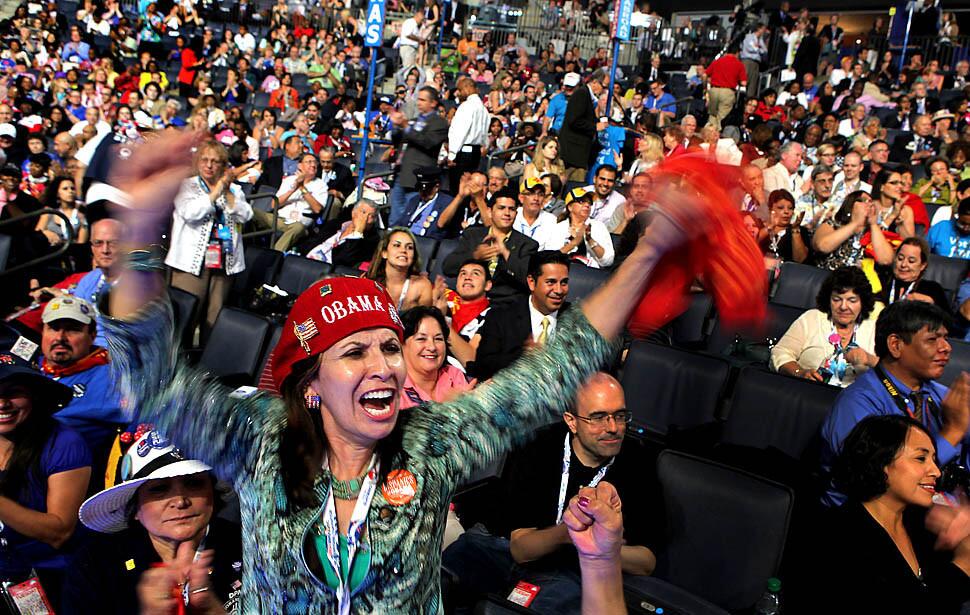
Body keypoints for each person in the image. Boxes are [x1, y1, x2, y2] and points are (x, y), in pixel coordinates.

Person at [103, 128, 713, 612]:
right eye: (354, 352)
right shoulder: (261, 439)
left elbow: (556, 369)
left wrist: (649, 253)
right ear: (310, 384)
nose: (385, 368)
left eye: (389, 348)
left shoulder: (430, 444)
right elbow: (151, 385)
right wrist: (135, 235)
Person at [442, 373, 662, 613]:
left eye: (620, 416)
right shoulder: (538, 446)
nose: (612, 428)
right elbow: (521, 550)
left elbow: (645, 562)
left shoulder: (639, 464)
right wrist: (567, 534)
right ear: (571, 421)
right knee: (448, 570)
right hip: (504, 549)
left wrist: (600, 549)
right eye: (598, 417)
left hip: (570, 570)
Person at [62, 430, 243, 614]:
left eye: (193, 483)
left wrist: (211, 610)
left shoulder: (251, 547)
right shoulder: (95, 565)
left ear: (212, 492)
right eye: (159, 489)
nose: (180, 502)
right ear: (135, 508)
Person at [820, 300, 970, 507]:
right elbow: (881, 480)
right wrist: (953, 432)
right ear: (896, 345)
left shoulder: (939, 394)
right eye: (933, 339)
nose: (946, 348)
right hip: (861, 518)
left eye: (945, 338)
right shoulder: (859, 402)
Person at [813, 415, 970, 611]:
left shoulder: (921, 522)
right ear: (881, 463)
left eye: (934, 459)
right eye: (921, 458)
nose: (936, 471)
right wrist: (963, 566)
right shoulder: (838, 536)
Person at [0, 353, 90, 605]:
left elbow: (59, 532)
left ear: (34, 395)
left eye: (13, 391)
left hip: (52, 577)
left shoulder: (63, 443)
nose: (3, 403)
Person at [165, 141, 252, 341]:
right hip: (191, 265)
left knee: (213, 320)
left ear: (223, 165)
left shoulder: (234, 190)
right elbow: (190, 213)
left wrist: (227, 190)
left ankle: (205, 363)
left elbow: (245, 215)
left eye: (215, 161)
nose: (209, 165)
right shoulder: (186, 186)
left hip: (224, 262)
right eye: (205, 160)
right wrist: (216, 191)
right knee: (186, 318)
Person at [37, 295, 125, 481]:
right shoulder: (29, 367)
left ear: (92, 335)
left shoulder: (112, 379)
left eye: (73, 330)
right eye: (53, 328)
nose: (60, 338)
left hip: (63, 477)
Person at [771, 266, 881, 387]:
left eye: (852, 300)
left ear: (863, 302)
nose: (843, 307)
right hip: (809, 392)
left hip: (855, 401)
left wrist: (869, 359)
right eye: (837, 299)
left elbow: (894, 373)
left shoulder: (874, 329)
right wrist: (800, 373)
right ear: (828, 299)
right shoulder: (812, 318)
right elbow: (780, 353)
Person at [471, 250, 571, 380]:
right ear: (531, 282)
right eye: (551, 282)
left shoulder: (577, 319)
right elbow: (482, 366)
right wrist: (524, 358)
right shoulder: (501, 317)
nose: (559, 290)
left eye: (564, 282)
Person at [442, 188, 539, 306]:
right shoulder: (472, 235)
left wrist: (505, 252)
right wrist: (474, 256)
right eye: (501, 208)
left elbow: (527, 280)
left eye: (512, 209)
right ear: (489, 211)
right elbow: (448, 267)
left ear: (516, 213)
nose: (507, 213)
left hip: (504, 306)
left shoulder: (527, 244)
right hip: (469, 301)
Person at [389, 86, 448, 224]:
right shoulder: (414, 120)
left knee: (410, 218)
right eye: (418, 99)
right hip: (402, 174)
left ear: (433, 103)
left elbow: (427, 142)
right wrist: (397, 126)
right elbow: (398, 140)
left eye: (423, 100)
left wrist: (405, 126)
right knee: (394, 218)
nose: (418, 103)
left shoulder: (439, 123)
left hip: (418, 177)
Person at [398, 306, 474, 409]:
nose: (432, 347)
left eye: (438, 339)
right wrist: (450, 407)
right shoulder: (394, 386)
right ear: (401, 344)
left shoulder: (454, 376)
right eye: (421, 339)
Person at [813, 190, 894, 271]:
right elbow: (823, 246)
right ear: (850, 206)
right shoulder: (832, 225)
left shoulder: (876, 232)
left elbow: (886, 260)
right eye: (862, 201)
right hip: (828, 278)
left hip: (861, 281)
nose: (869, 204)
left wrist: (873, 224)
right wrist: (855, 223)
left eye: (870, 201)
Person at [537, 187, 614, 269]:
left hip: (589, 274)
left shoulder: (598, 226)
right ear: (570, 207)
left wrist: (590, 241)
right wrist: (574, 242)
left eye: (589, 202)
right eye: (581, 202)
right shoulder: (557, 228)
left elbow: (608, 261)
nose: (587, 205)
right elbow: (550, 259)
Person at [364, 227, 434, 311]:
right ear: (384, 253)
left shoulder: (423, 285)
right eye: (397, 245)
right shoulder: (367, 280)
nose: (403, 250)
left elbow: (424, 321)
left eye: (409, 247)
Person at [876, 237, 949, 311]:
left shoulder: (933, 290)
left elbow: (949, 320)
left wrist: (932, 306)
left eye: (911, 261)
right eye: (900, 258)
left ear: (922, 265)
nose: (903, 265)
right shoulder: (881, 281)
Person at [560, 70, 607, 183]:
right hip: (573, 154)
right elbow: (574, 120)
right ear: (595, 82)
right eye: (604, 86)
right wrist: (595, 126)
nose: (604, 90)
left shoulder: (586, 95)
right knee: (573, 184)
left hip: (578, 153)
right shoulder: (582, 94)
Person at [447, 77, 489, 194]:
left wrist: (452, 154)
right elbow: (485, 134)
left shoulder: (466, 106)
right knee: (471, 189)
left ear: (467, 88)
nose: (458, 93)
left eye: (460, 90)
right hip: (476, 153)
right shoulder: (483, 109)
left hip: (462, 155)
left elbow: (459, 131)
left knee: (458, 190)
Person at [391, 167, 455, 240]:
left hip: (426, 242)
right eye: (420, 189)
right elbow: (401, 222)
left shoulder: (446, 202)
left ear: (436, 186)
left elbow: (439, 228)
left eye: (427, 190)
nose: (423, 193)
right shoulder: (414, 200)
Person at [760, 189, 809, 265]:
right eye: (780, 208)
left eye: (790, 208)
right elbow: (751, 244)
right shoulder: (759, 227)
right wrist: (770, 227)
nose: (786, 212)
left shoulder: (800, 231)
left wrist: (795, 230)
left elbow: (800, 260)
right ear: (770, 209)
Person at [705, 47, 747, 130]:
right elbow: (744, 83)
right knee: (721, 117)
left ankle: (708, 132)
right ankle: (716, 135)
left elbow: (705, 75)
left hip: (714, 90)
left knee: (712, 116)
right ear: (737, 53)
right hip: (728, 92)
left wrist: (705, 88)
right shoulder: (739, 64)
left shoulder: (717, 61)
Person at [514, 176, 558, 241]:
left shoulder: (551, 220)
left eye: (540, 194)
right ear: (521, 198)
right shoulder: (512, 217)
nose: (536, 198)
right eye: (531, 193)